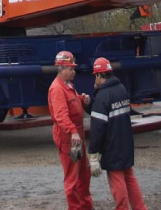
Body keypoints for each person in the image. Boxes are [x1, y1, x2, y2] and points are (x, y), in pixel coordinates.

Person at [87, 57, 146, 210]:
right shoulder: (121, 89)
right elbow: (110, 114)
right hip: (125, 142)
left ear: (100, 75)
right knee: (129, 177)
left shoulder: (102, 96)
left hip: (111, 146)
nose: (95, 79)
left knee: (116, 179)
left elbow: (98, 128)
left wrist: (93, 154)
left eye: (95, 76)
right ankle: (140, 207)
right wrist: (90, 106)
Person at [48, 50, 93, 210]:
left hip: (76, 138)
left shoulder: (67, 85)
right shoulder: (57, 89)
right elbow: (61, 116)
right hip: (69, 140)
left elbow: (71, 103)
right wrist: (73, 131)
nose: (74, 72)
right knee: (73, 179)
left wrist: (82, 99)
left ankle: (86, 206)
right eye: (71, 69)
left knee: (84, 175)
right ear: (62, 68)